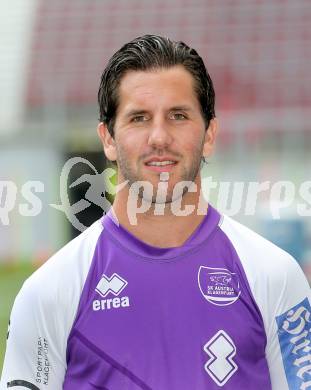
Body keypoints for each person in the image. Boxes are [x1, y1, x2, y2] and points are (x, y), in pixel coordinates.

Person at [1, 35, 310, 390]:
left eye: (178, 116)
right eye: (139, 118)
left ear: (210, 133)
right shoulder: (49, 293)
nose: (159, 137)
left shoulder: (274, 277)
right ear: (108, 139)